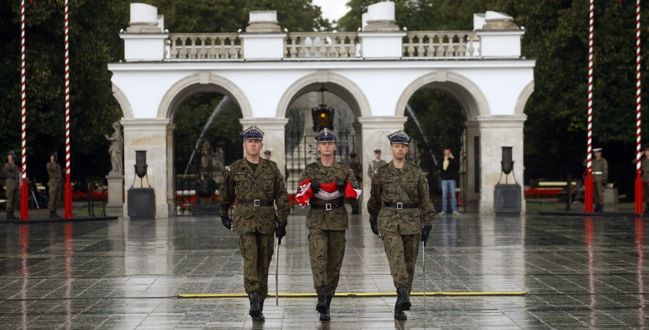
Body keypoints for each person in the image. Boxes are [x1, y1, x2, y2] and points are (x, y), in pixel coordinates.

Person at [219, 126, 290, 322]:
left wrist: (282, 219)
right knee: (250, 259)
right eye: (250, 141)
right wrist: (224, 213)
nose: (253, 144)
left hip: (267, 219)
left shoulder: (271, 168)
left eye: (256, 141)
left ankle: (260, 300)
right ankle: (253, 299)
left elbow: (281, 195)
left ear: (261, 145)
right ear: (245, 145)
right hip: (244, 219)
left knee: (264, 262)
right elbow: (225, 192)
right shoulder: (235, 169)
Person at [367, 130, 435, 321]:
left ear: (407, 149)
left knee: (409, 263)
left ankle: (400, 302)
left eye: (403, 146)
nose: (400, 149)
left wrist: (428, 223)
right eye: (397, 146)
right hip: (389, 220)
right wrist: (373, 218)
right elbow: (375, 198)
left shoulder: (417, 173)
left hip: (412, 220)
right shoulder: (381, 173)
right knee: (396, 258)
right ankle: (403, 291)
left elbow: (425, 200)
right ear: (391, 148)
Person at [295, 128, 361, 321]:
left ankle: (328, 301)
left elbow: (356, 193)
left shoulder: (344, 169)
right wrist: (310, 187)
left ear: (334, 146)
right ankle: (321, 294)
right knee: (318, 258)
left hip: (338, 220)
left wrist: (345, 187)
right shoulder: (310, 170)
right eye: (323, 144)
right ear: (318, 147)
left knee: (334, 264)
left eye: (329, 144)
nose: (326, 147)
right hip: (316, 219)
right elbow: (300, 195)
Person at [439, 148, 460, 216]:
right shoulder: (442, 159)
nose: (447, 153)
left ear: (450, 152)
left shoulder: (453, 159)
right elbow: (439, 167)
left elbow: (457, 167)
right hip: (444, 180)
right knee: (444, 196)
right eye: (445, 152)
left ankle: (454, 210)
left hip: (452, 180)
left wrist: (453, 158)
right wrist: (444, 160)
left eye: (448, 152)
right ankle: (444, 210)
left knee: (453, 196)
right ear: (444, 152)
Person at [2, 151, 20, 220]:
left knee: (14, 199)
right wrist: (10, 161)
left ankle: (12, 213)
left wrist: (18, 183)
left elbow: (17, 175)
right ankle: (8, 214)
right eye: (10, 156)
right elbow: (8, 170)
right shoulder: (7, 165)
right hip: (9, 182)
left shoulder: (15, 165)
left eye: (12, 156)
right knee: (10, 198)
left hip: (15, 183)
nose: (12, 157)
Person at [591, 148, 608, 212]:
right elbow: (584, 164)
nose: (596, 154)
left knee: (600, 192)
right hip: (593, 177)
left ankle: (601, 205)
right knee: (595, 193)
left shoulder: (603, 160)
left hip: (599, 178)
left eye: (597, 153)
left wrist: (604, 178)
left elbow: (605, 170)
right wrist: (588, 158)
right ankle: (597, 204)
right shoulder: (592, 160)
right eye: (595, 153)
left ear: (600, 153)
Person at [46, 152, 62, 218]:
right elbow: (53, 168)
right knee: (52, 198)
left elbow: (59, 173)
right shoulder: (49, 164)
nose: (54, 158)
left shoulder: (57, 165)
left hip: (58, 182)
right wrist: (53, 161)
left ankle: (54, 212)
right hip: (53, 182)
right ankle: (51, 212)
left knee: (57, 198)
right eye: (53, 156)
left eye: (55, 157)